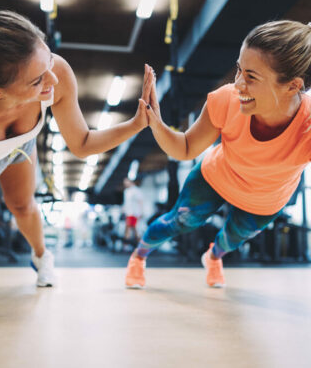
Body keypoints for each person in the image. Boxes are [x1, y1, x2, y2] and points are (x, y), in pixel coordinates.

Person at [0, 10, 152, 333]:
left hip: (19, 145)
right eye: (37, 80)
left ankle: (43, 258)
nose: (54, 80)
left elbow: (83, 142)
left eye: (47, 64)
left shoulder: (54, 70)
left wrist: (136, 124)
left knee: (24, 206)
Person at [125, 20, 311, 289]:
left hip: (266, 199)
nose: (237, 84)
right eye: (239, 70)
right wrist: (156, 122)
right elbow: (186, 148)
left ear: (293, 86)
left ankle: (213, 258)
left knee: (231, 240)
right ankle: (138, 257)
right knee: (181, 221)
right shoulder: (226, 100)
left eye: (251, 77)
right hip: (216, 177)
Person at [123, 178, 143, 242]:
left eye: (126, 182)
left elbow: (140, 201)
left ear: (130, 182)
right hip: (128, 213)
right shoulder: (126, 191)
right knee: (128, 228)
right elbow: (126, 202)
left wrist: (141, 212)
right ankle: (126, 244)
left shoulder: (136, 190)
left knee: (135, 229)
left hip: (135, 213)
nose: (125, 184)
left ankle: (139, 244)